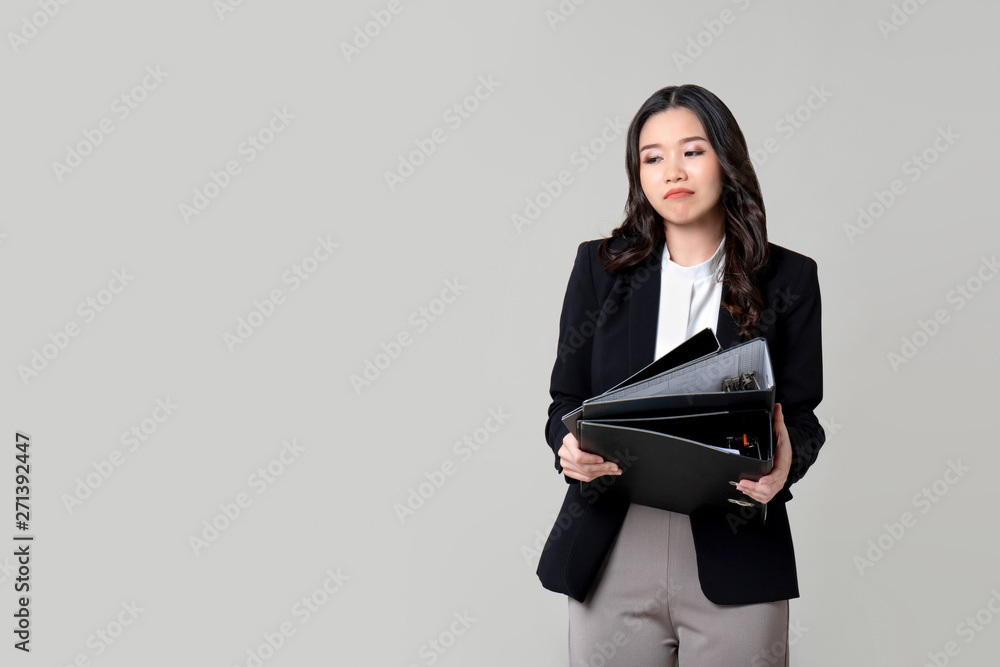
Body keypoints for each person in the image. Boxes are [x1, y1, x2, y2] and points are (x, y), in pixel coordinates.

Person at [536, 84, 826, 666]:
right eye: (653, 157)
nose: (673, 170)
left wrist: (787, 460)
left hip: (737, 544)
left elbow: (801, 418)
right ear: (639, 174)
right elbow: (565, 400)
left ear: (726, 159)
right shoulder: (599, 269)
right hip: (612, 543)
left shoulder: (789, 278)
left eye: (692, 151)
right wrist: (568, 447)